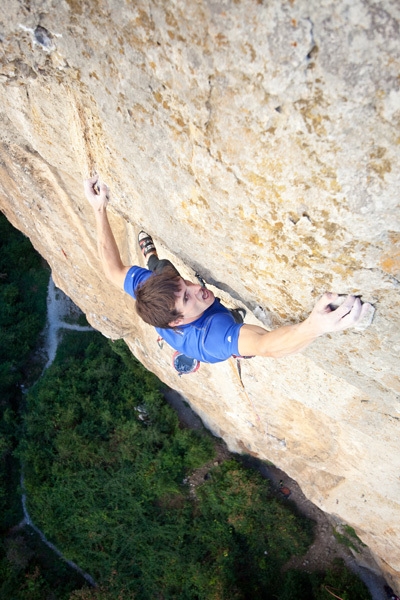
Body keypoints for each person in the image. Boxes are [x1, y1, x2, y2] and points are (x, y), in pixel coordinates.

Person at [84, 175, 373, 363]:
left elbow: (112, 269)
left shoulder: (154, 289)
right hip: (202, 340)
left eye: (187, 286)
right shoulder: (212, 336)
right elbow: (267, 346)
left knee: (162, 267)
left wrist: (98, 209)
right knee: (239, 329)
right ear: (176, 321)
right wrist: (315, 326)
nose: (199, 290)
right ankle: (220, 326)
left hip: (173, 311)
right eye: (187, 299)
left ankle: (151, 256)